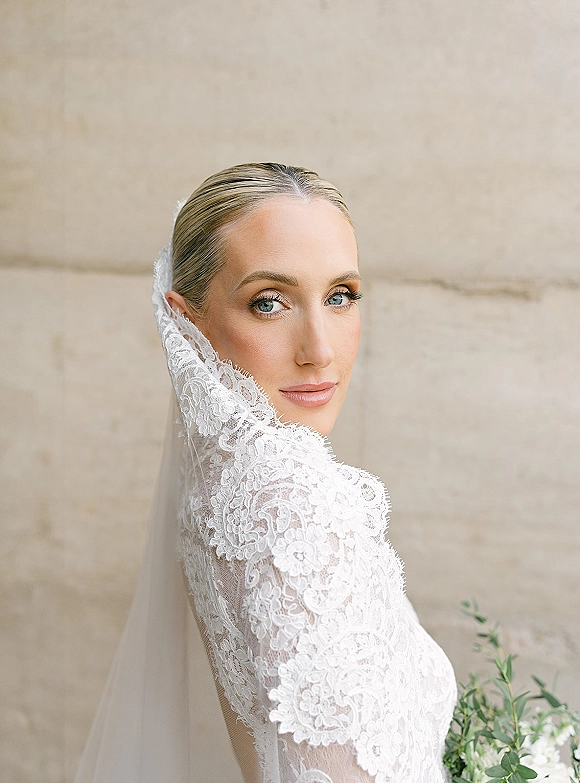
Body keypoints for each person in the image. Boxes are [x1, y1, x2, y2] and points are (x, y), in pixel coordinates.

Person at [73, 163, 457, 783]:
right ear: (186, 323)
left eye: (340, 297)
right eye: (269, 303)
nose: (321, 349)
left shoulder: (222, 492)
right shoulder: (290, 502)